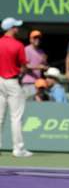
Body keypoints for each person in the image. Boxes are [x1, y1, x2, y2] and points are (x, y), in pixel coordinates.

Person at [0, 18, 32, 157]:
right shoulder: (18, 45)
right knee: (16, 117)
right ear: (11, 28)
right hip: (13, 82)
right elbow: (24, 67)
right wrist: (22, 70)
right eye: (16, 27)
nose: (18, 29)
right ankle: (18, 149)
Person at [21, 30, 47, 94]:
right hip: (28, 82)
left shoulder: (41, 51)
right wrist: (38, 67)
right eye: (35, 38)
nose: (37, 39)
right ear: (30, 39)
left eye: (39, 38)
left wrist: (45, 64)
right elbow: (24, 66)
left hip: (39, 83)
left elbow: (43, 65)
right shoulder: (26, 49)